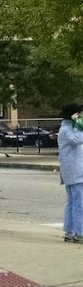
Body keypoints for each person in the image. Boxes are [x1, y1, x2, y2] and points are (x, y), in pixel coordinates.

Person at [57, 103, 83, 243]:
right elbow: (78, 139)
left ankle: (69, 231)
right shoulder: (67, 130)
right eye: (78, 114)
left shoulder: (68, 128)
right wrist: (80, 124)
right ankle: (79, 233)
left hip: (72, 171)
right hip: (75, 171)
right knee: (78, 203)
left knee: (72, 202)